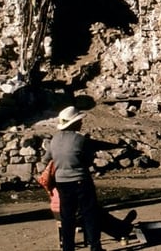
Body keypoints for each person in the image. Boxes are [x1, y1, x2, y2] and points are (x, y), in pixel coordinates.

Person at [42, 106, 116, 251]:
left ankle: (68, 248)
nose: (81, 123)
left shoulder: (54, 140)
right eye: (79, 121)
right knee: (90, 214)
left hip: (62, 183)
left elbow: (46, 159)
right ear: (74, 123)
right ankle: (95, 247)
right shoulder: (80, 140)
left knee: (67, 217)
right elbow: (87, 161)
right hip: (81, 181)